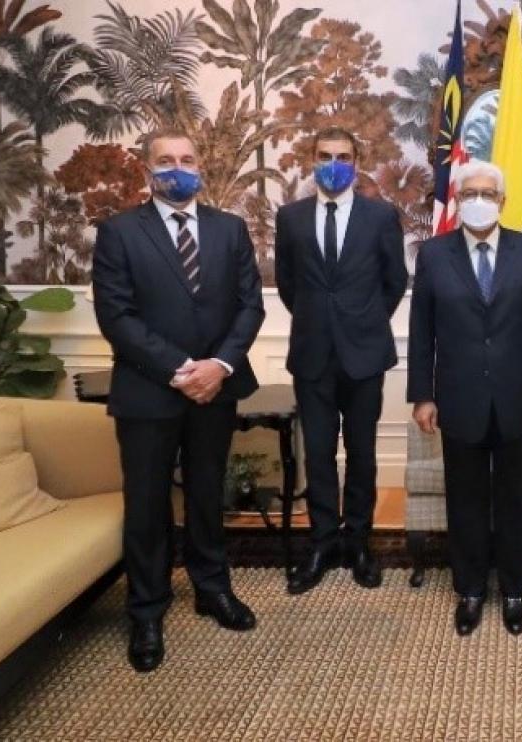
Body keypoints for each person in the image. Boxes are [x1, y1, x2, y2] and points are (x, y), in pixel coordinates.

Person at [92, 127, 265, 672]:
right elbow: (115, 316)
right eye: (165, 160)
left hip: (217, 388)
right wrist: (178, 369)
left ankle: (213, 588)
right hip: (148, 392)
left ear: (201, 168)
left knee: (209, 494)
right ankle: (146, 609)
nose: (177, 168)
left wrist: (219, 366)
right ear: (147, 170)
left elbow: (250, 308)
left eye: (187, 159)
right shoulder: (119, 233)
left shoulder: (231, 230)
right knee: (146, 504)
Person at [407, 160, 522, 637]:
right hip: (458, 396)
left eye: (487, 193)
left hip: (518, 394)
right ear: (456, 201)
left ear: (503, 201)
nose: (478, 199)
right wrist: (422, 395)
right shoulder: (434, 255)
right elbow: (422, 332)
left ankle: (515, 590)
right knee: (467, 499)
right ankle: (471, 589)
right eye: (469, 192)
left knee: (515, 497)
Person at [275, 127, 407, 595]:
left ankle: (359, 542)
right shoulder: (290, 218)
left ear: (358, 160)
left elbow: (395, 281)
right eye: (325, 155)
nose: (334, 163)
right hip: (312, 354)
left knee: (362, 454)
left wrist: (362, 322)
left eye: (344, 156)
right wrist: (321, 322)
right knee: (318, 453)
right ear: (310, 159)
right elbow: (289, 285)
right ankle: (322, 542)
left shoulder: (380, 216)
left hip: (364, 354)